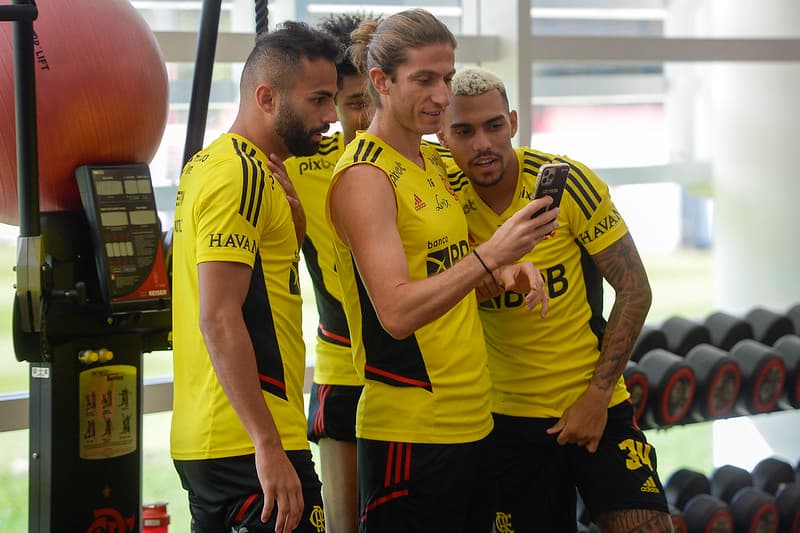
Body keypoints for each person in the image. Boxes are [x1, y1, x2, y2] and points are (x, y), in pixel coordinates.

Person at [325, 9, 559, 533]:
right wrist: (491, 256)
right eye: (424, 79)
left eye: (447, 78)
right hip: (411, 433)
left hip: (472, 420)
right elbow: (396, 312)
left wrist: (505, 270)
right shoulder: (365, 175)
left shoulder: (430, 161)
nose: (441, 95)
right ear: (382, 81)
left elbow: (446, 267)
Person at [437, 67, 673, 533]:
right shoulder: (439, 195)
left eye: (494, 126)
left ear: (513, 123)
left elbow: (634, 289)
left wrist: (598, 397)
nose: (483, 143)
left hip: (592, 404)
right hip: (502, 420)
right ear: (442, 137)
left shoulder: (566, 183)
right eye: (464, 131)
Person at [170, 22, 340, 533]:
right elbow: (219, 318)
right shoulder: (238, 175)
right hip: (245, 444)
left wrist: (295, 231)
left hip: (226, 438)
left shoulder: (216, 164)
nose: (331, 116)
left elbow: (257, 293)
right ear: (267, 98)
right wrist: (266, 445)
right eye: (319, 100)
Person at [283, 12, 376, 533]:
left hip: (422, 374)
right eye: (355, 102)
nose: (367, 115)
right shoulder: (297, 164)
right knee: (344, 524)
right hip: (342, 369)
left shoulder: (429, 162)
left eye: (375, 98)